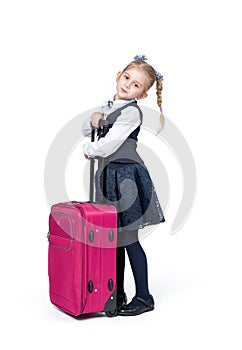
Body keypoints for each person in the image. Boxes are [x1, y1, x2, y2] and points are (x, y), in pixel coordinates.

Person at [82, 55, 165, 316]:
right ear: (118, 75)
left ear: (142, 95)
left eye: (137, 85)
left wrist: (90, 149)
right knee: (113, 238)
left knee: (128, 238)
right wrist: (94, 119)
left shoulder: (130, 112)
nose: (129, 85)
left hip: (126, 178)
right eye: (127, 78)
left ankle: (144, 297)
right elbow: (89, 129)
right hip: (110, 176)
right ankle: (115, 292)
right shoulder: (109, 107)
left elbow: (109, 143)